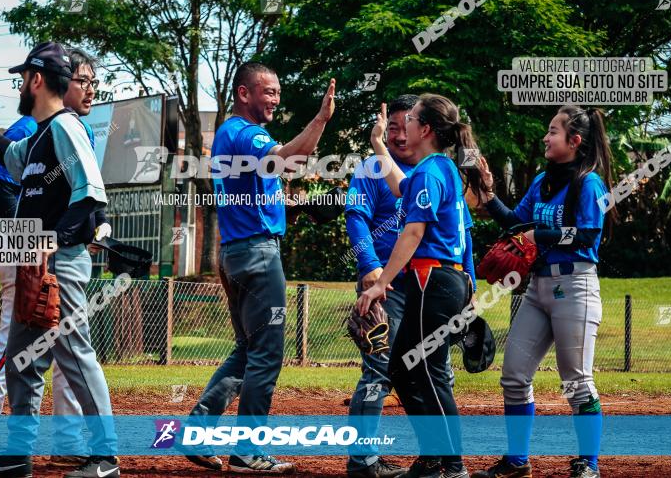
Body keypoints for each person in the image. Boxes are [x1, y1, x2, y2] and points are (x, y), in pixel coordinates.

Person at [0, 42, 119, 478]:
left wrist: (56, 238)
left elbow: (91, 193)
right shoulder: (40, 136)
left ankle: (106, 458)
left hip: (59, 264)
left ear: (36, 79)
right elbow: (5, 154)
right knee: (22, 361)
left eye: (21, 78)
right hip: (37, 266)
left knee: (74, 354)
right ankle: (16, 456)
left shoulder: (65, 127)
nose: (18, 86)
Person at [182, 62, 335, 474]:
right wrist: (320, 119)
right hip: (258, 256)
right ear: (243, 93)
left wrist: (303, 205)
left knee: (249, 350)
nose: (275, 99)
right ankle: (248, 451)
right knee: (266, 354)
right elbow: (288, 161)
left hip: (236, 252)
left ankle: (197, 429)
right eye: (267, 91)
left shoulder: (231, 136)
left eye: (277, 93)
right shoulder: (247, 133)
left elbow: (263, 190)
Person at [471, 106, 613, 478]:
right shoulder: (542, 181)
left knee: (576, 380)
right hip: (537, 287)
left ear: (575, 141)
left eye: (554, 131)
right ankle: (517, 461)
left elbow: (587, 236)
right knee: (514, 376)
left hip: (576, 284)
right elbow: (517, 222)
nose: (546, 138)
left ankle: (589, 464)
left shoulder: (589, 183)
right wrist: (487, 194)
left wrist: (539, 235)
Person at [357, 94, 486, 478]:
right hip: (438, 281)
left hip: (435, 281)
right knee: (401, 365)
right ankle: (434, 457)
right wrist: (378, 145)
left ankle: (453, 466)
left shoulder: (432, 171)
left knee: (427, 371)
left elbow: (413, 231)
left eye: (410, 119)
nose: (404, 126)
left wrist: (382, 282)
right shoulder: (437, 168)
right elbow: (398, 188)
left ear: (425, 129)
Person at [344, 94, 421, 478]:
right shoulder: (372, 168)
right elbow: (356, 217)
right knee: (377, 371)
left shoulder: (433, 170)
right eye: (391, 127)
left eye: (405, 126)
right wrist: (370, 265)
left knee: (429, 373)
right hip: (384, 289)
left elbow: (462, 229)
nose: (398, 135)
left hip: (427, 288)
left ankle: (436, 457)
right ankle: (363, 461)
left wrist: (468, 277)